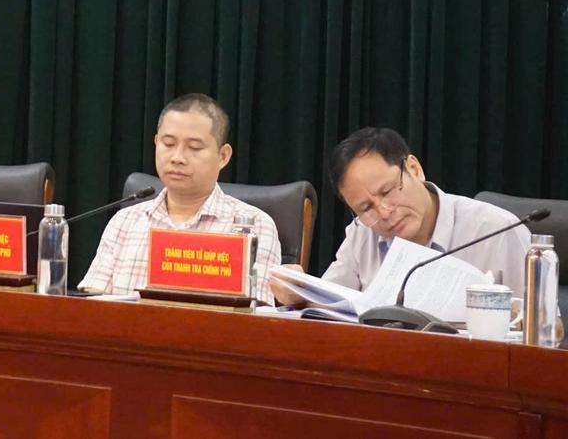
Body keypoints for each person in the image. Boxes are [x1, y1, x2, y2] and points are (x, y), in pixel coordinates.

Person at [270, 127, 530, 305]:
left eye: (387, 191)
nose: (384, 212)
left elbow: (539, 336)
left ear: (414, 169)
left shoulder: (498, 231)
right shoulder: (362, 232)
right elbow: (330, 304)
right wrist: (299, 291)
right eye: (366, 208)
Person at [79, 93, 281, 303]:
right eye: (168, 144)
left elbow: (257, 315)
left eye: (194, 148)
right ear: (156, 143)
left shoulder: (255, 227)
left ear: (223, 156)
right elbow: (91, 305)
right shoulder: (125, 221)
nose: (177, 158)